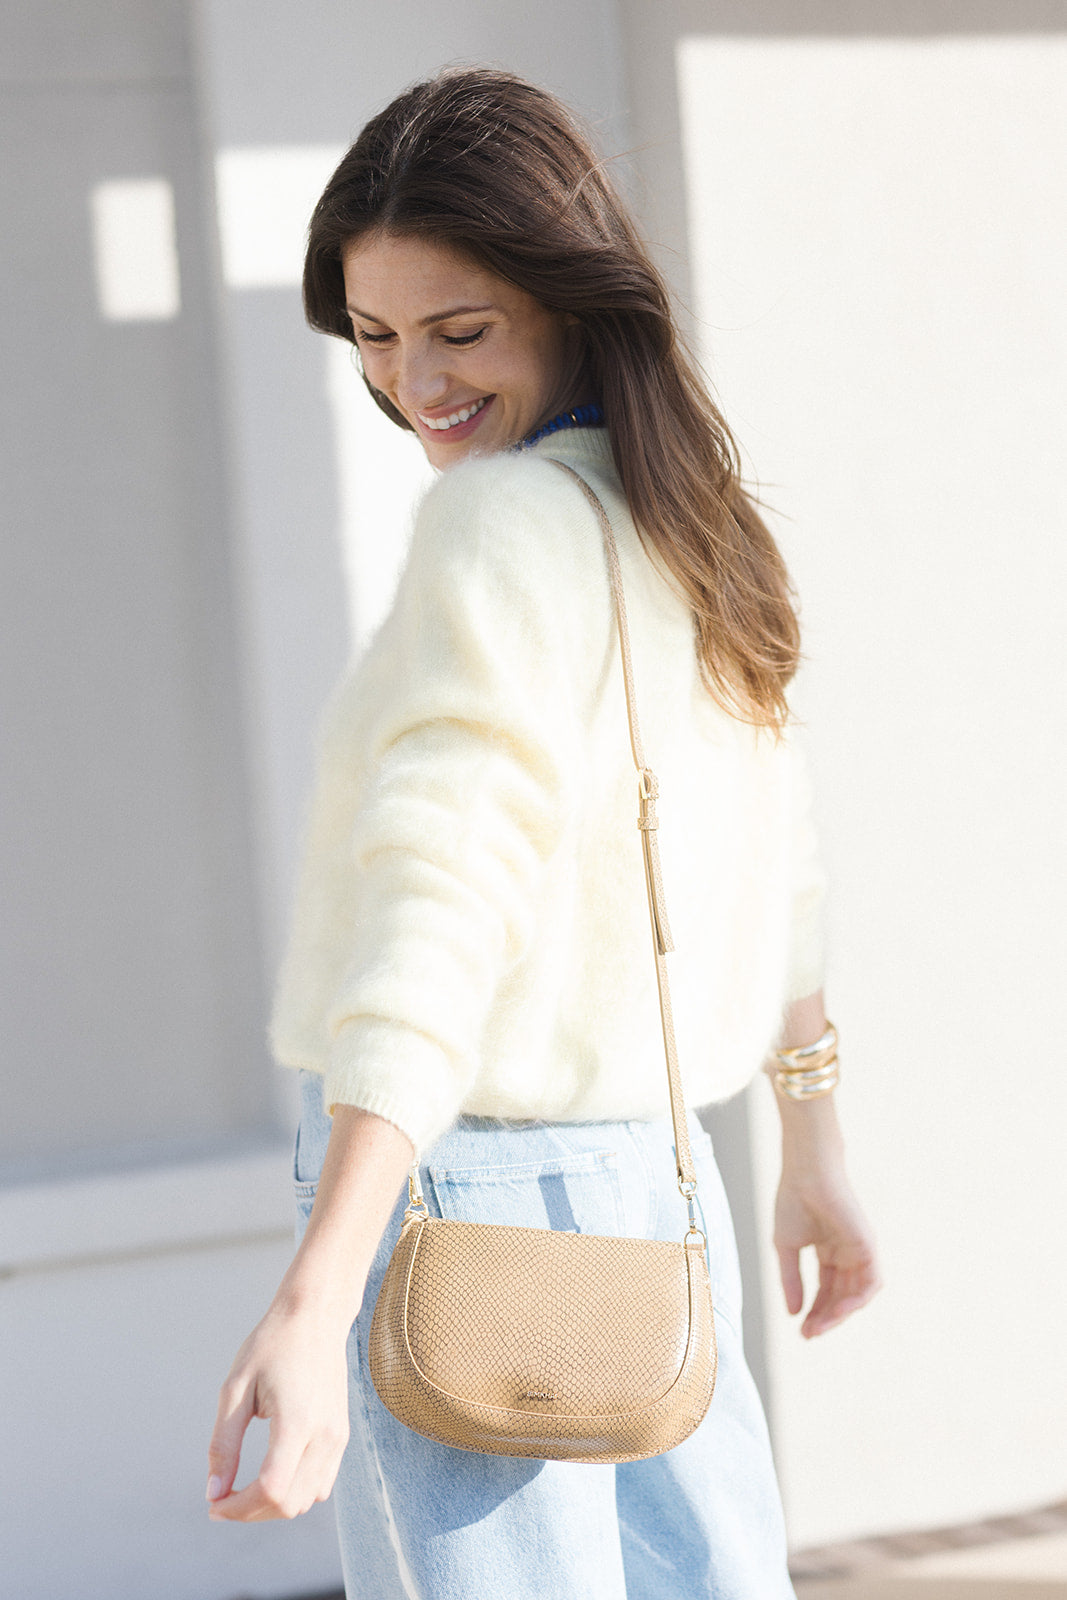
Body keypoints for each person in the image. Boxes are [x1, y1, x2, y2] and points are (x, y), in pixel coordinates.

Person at [206, 66, 880, 1599]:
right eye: (376, 339)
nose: (415, 387)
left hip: (450, 1190)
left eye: (461, 331)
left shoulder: (498, 530)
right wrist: (814, 1146)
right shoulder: (691, 524)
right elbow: (783, 860)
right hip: (657, 1179)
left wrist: (318, 1293)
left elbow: (438, 905)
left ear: (572, 301)